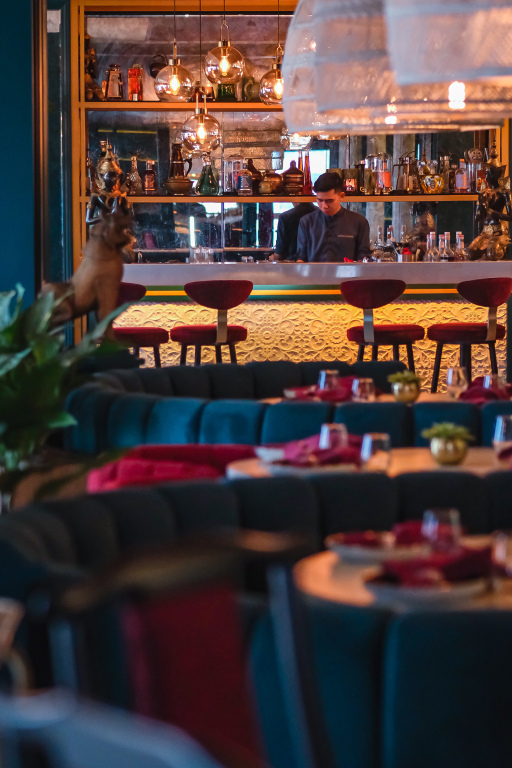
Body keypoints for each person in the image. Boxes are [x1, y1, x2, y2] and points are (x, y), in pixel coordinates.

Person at [296, 172, 371, 262]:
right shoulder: (306, 221)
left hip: (348, 271)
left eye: (329, 201)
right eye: (320, 200)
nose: (324, 206)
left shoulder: (359, 222)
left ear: (342, 196)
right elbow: (301, 257)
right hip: (314, 271)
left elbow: (363, 257)